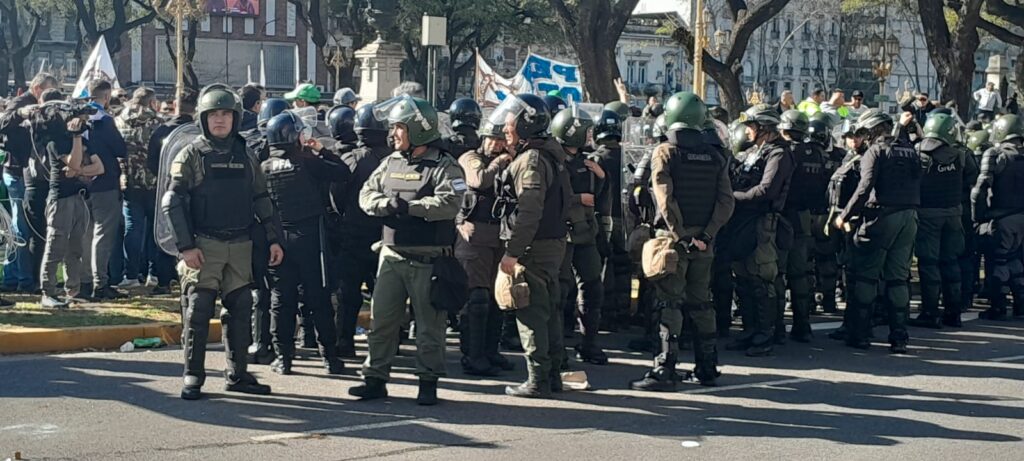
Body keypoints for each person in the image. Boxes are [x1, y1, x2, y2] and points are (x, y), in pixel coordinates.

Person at [163, 84, 284, 400]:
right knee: (198, 310)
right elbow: (172, 202)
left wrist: (273, 238)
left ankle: (238, 373)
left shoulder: (246, 154)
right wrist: (186, 247)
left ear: (235, 117)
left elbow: (261, 198)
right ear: (203, 118)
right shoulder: (191, 154)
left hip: (240, 244)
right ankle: (193, 375)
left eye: (226, 114)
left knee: (241, 309)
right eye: (213, 114)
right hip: (203, 246)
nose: (220, 120)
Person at [349, 95, 465, 406]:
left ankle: (428, 382)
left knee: (429, 328)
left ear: (418, 129)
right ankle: (374, 379)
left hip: (428, 259)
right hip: (391, 256)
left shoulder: (444, 165)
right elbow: (366, 194)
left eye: (399, 128)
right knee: (382, 321)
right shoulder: (391, 162)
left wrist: (410, 208)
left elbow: (451, 203)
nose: (394, 134)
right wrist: (385, 204)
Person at [629, 92, 734, 391]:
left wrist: (682, 235)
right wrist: (706, 235)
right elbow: (726, 202)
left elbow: (665, 199)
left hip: (674, 241)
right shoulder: (716, 155)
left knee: (669, 302)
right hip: (704, 242)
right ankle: (707, 367)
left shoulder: (665, 152)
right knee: (702, 303)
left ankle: (665, 368)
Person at [491, 93, 570, 398]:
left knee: (531, 312)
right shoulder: (548, 154)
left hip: (534, 248)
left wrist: (512, 252)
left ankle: (538, 379)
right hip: (549, 244)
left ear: (525, 124)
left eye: (510, 122)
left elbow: (529, 209)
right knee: (548, 311)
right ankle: (552, 376)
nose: (505, 127)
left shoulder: (532, 160)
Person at [261, 111, 350, 375]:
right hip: (311, 239)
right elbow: (342, 173)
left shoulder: (263, 167)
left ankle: (283, 358)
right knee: (319, 298)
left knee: (281, 300)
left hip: (278, 241)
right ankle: (329, 358)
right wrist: (322, 150)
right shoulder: (307, 161)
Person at [834, 109, 921, 353]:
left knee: (866, 276)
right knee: (897, 279)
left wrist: (844, 216)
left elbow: (865, 187)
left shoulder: (875, 151)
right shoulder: (910, 150)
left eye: (865, 132)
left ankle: (860, 335)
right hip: (909, 217)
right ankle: (899, 337)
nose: (863, 137)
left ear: (873, 130)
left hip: (881, 218)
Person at [723, 104, 793, 357]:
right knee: (743, 277)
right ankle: (750, 330)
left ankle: (765, 334)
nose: (747, 131)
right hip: (743, 220)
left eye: (751, 126)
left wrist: (732, 197)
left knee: (762, 279)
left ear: (764, 128)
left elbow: (766, 190)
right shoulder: (754, 152)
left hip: (763, 221)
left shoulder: (779, 154)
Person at [455, 121, 515, 376]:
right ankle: (472, 355)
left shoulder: (509, 160)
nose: (496, 144)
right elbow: (478, 180)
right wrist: (500, 162)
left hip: (500, 234)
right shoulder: (471, 158)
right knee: (477, 297)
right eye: (492, 138)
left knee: (496, 297)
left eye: (500, 140)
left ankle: (490, 351)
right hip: (475, 234)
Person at [550, 107, 608, 365]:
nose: (590, 135)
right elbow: (547, 197)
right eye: (585, 130)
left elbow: (598, 198)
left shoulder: (587, 161)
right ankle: (557, 350)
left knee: (593, 287)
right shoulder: (552, 160)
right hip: (562, 234)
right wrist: (577, 199)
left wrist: (602, 178)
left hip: (585, 232)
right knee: (559, 292)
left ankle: (589, 343)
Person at [908, 112, 976, 329]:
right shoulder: (961, 154)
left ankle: (930, 312)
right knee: (950, 261)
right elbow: (972, 179)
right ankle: (953, 312)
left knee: (929, 263)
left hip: (928, 214)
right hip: (954, 214)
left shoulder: (920, 153)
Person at [334, 103, 390, 358]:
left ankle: (344, 340)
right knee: (386, 293)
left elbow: (336, 195)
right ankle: (389, 343)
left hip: (354, 233)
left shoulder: (352, 159)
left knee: (348, 292)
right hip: (386, 234)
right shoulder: (396, 159)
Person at [36, 101, 105, 308]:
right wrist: (76, 140)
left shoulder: (84, 140)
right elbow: (73, 163)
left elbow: (99, 168)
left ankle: (73, 290)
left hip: (79, 197)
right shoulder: (56, 141)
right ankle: (48, 292)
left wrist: (78, 171)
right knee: (55, 246)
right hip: (60, 199)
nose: (83, 121)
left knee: (76, 248)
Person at [0, 72, 58, 295]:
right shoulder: (21, 102)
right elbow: (3, 122)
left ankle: (22, 276)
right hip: (17, 171)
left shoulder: (42, 107)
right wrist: (20, 114)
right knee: (21, 228)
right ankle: (20, 278)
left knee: (27, 226)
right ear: (37, 89)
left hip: (29, 173)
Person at [777, 109, 828, 343]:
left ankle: (777, 326)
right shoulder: (816, 153)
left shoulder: (786, 152)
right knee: (800, 274)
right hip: (806, 217)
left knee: (778, 273)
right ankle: (802, 325)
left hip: (784, 217)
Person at [972, 114, 1024, 320]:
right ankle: (1020, 303)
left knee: (998, 260)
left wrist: (978, 217)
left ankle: (998, 306)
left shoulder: (995, 154)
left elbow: (980, 189)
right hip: (1021, 216)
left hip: (1001, 216)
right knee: (1015, 259)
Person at [114, 87, 164, 293]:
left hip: (129, 181)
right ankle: (154, 273)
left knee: (132, 229)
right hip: (154, 182)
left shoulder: (118, 121)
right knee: (155, 230)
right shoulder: (158, 123)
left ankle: (131, 275)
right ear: (151, 102)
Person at [83, 80, 129, 300]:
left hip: (82, 182)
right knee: (103, 234)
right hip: (105, 182)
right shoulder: (104, 120)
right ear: (107, 96)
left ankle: (84, 281)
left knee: (85, 234)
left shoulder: (78, 117)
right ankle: (100, 283)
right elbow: (120, 149)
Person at [592, 109, 632, 333]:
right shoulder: (629, 155)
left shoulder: (595, 159)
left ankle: (605, 315)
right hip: (626, 220)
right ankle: (623, 313)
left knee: (603, 268)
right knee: (623, 268)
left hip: (603, 219)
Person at [807, 118, 845, 314]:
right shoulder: (840, 155)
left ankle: (811, 300)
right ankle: (827, 299)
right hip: (826, 213)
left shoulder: (800, 154)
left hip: (814, 212)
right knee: (825, 258)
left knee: (810, 259)